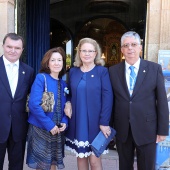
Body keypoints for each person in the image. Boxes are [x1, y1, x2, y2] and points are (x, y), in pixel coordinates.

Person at [109, 31, 169, 170]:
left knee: (147, 166)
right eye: (126, 45)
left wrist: (162, 130)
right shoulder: (112, 71)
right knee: (124, 166)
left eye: (134, 44)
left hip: (148, 129)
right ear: (122, 49)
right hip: (122, 129)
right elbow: (111, 101)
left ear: (140, 47)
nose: (130, 48)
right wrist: (109, 126)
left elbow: (162, 101)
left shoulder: (154, 69)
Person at [65, 38, 113, 170]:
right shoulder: (73, 71)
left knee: (94, 160)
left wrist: (104, 122)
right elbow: (69, 92)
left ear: (96, 53)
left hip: (96, 123)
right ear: (79, 53)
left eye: (90, 51)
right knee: (81, 158)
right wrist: (68, 103)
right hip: (78, 122)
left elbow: (108, 97)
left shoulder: (102, 72)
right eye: (84, 50)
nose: (87, 54)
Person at [26, 47, 68, 170]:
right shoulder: (41, 78)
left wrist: (65, 122)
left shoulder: (63, 83)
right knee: (43, 164)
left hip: (57, 130)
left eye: (59, 60)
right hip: (41, 127)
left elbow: (66, 106)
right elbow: (34, 105)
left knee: (53, 163)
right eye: (53, 60)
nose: (56, 63)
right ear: (47, 63)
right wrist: (49, 125)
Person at [0, 33, 34, 170]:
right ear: (3, 46)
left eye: (17, 48)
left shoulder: (29, 71)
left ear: (22, 50)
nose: (13, 51)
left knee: (16, 166)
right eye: (9, 46)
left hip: (19, 128)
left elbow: (31, 97)